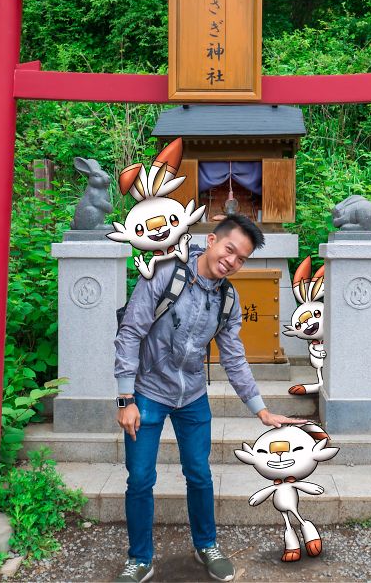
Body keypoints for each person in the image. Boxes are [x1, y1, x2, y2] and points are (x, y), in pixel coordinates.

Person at [113, 213, 305, 582]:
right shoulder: (165, 272)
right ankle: (139, 558)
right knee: (139, 478)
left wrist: (260, 409)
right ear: (213, 240)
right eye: (230, 250)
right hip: (148, 393)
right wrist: (126, 398)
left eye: (242, 259)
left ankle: (206, 544)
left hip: (193, 397)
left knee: (199, 473)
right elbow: (130, 331)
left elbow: (234, 358)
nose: (232, 262)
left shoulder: (227, 300)